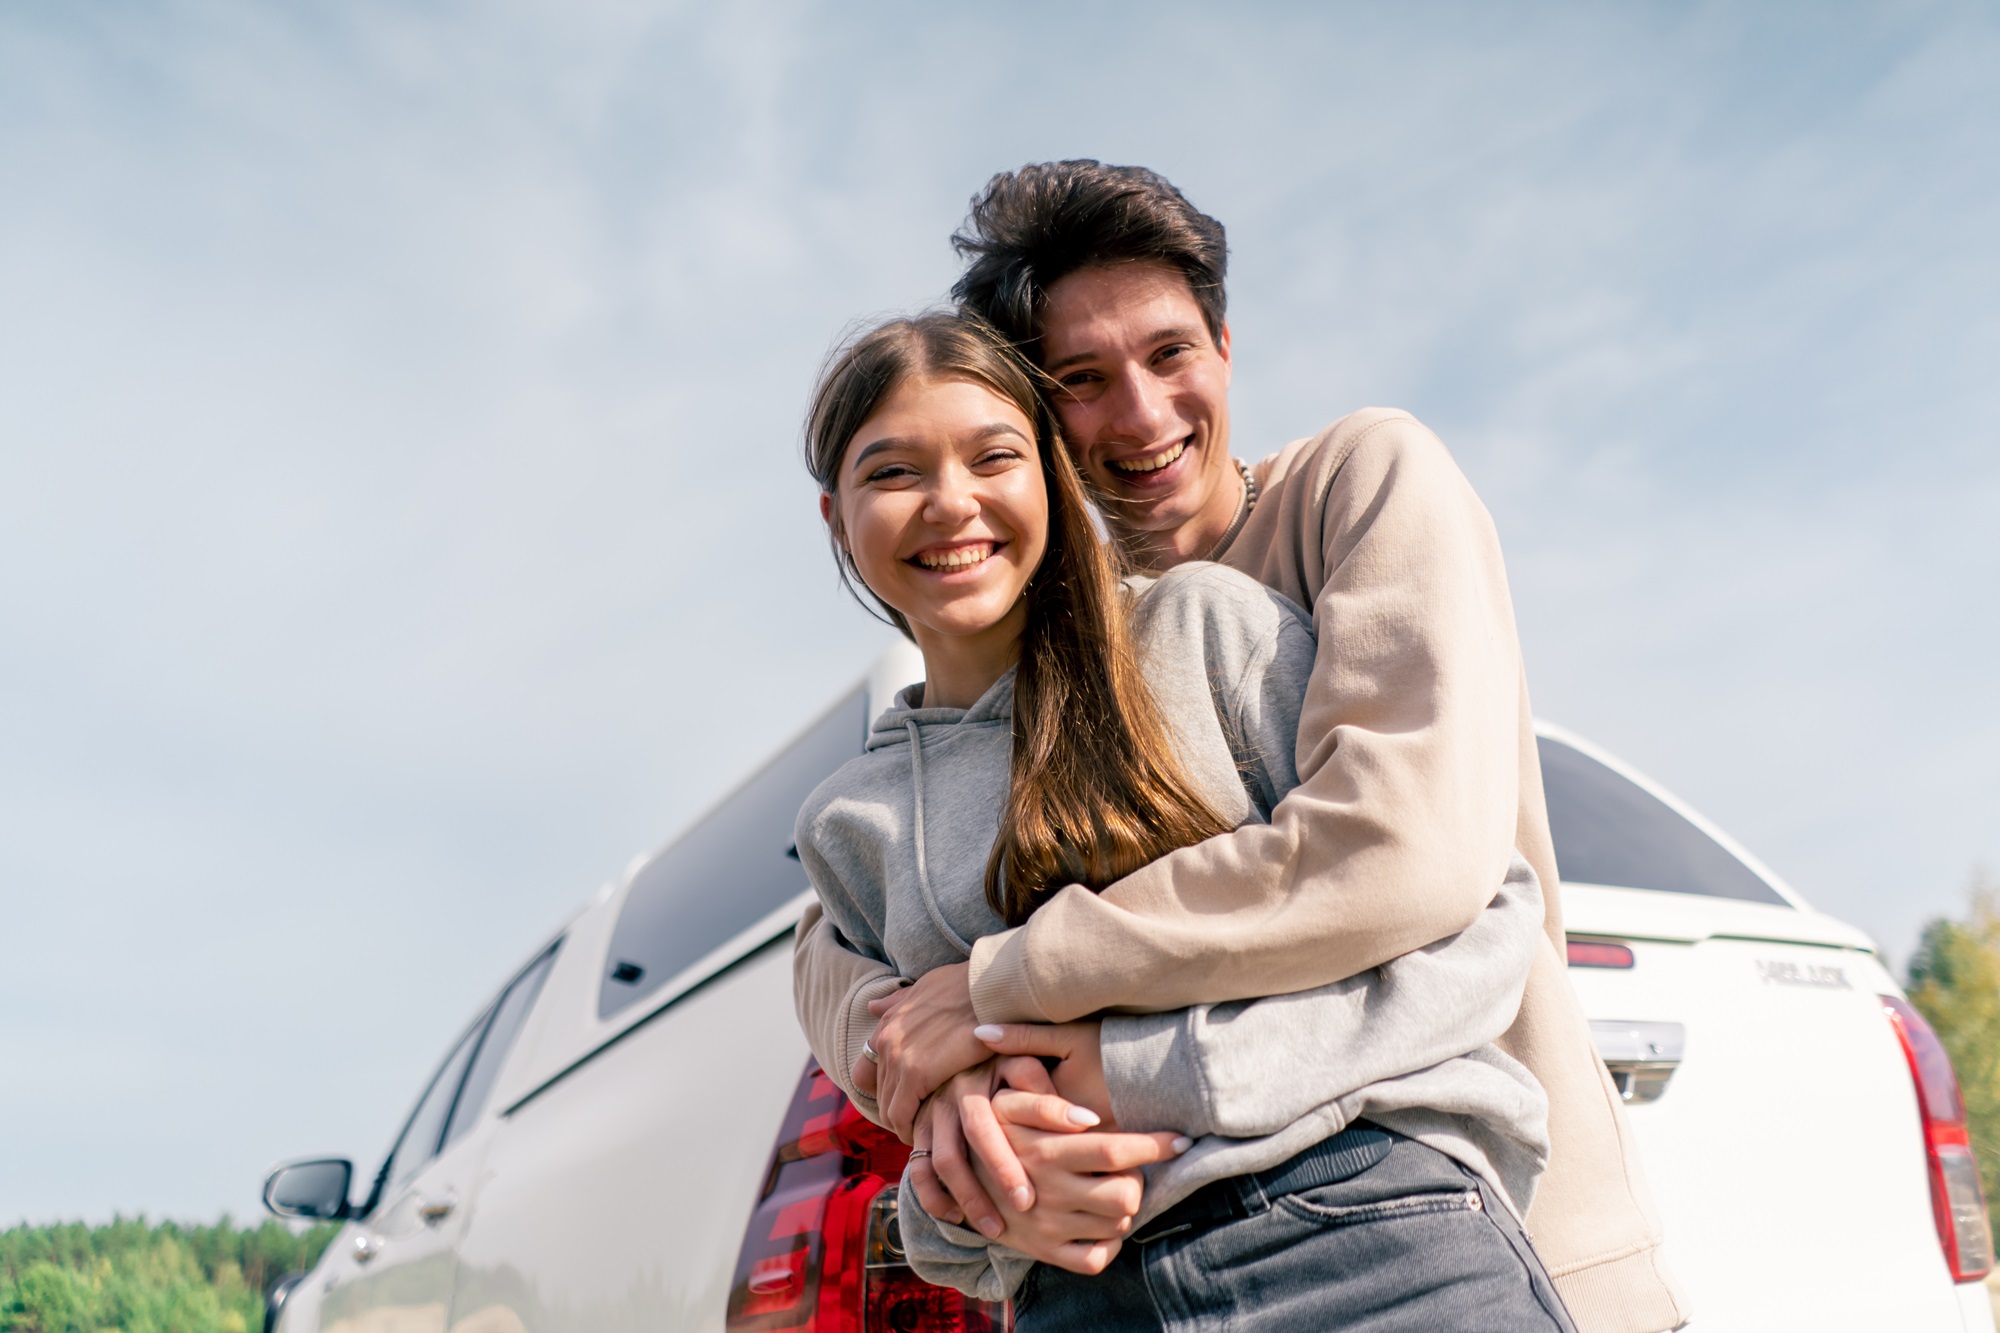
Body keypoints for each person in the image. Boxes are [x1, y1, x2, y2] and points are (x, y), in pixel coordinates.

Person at [794, 161, 1690, 1333]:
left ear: (1224, 345)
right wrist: (954, 1109)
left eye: (1169, 355)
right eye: (1080, 379)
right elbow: (839, 945)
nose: (1141, 414)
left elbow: (1405, 855)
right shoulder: (974, 715)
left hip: (1424, 1214)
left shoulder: (1340, 496)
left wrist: (1009, 993)